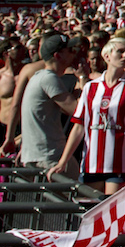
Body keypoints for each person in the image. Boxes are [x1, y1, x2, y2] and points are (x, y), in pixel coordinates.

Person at [49, 37, 125, 195]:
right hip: (91, 163)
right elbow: (79, 127)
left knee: (111, 210)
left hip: (120, 163)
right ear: (107, 56)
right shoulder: (90, 88)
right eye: (120, 51)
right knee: (90, 210)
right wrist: (63, 162)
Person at [19, 33, 82, 176]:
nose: (75, 53)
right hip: (50, 157)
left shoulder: (39, 76)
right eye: (70, 50)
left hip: (41, 155)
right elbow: (78, 111)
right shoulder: (49, 79)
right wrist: (83, 78)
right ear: (58, 55)